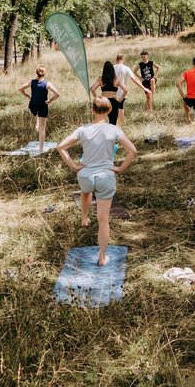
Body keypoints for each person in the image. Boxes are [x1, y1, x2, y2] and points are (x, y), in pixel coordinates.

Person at [57, 97, 138, 266]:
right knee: (103, 220)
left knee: (86, 191)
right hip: (105, 177)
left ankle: (84, 217)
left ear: (93, 110)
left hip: (85, 175)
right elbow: (133, 151)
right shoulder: (114, 130)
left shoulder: (83, 130)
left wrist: (73, 165)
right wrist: (120, 168)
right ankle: (102, 257)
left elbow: (61, 147)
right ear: (108, 112)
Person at [19, 66, 60, 152]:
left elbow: (20, 89)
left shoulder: (31, 82)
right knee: (42, 129)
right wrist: (50, 100)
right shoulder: (47, 83)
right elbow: (57, 94)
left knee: (36, 113)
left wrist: (27, 95)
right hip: (43, 106)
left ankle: (37, 122)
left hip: (33, 105)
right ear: (45, 73)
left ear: (36, 73)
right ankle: (41, 149)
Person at [114, 54, 149, 124]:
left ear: (116, 59)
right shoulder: (126, 68)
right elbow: (134, 79)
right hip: (121, 92)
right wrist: (144, 88)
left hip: (111, 92)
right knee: (120, 109)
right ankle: (122, 125)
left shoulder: (111, 67)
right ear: (123, 59)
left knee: (112, 109)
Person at [91, 61, 125, 126]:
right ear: (112, 69)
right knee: (113, 122)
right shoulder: (117, 79)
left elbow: (92, 89)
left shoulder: (101, 79)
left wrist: (97, 98)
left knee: (100, 121)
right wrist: (120, 100)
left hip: (104, 101)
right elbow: (125, 90)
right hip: (114, 101)